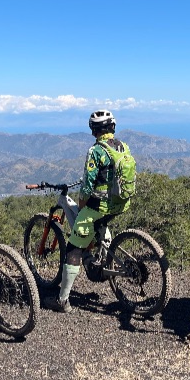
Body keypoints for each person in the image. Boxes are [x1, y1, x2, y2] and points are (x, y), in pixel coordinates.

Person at [43, 109, 133, 313]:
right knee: (99, 224)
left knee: (73, 249)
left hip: (98, 206)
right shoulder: (122, 147)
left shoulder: (96, 151)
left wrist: (82, 204)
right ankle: (100, 259)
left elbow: (87, 186)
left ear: (94, 130)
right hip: (120, 204)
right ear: (113, 127)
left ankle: (62, 300)